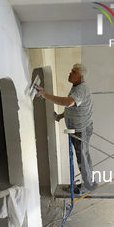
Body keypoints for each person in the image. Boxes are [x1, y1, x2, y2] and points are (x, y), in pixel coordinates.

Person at [35, 64, 98, 194]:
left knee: (82, 158)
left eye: (73, 72)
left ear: (80, 77)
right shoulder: (76, 86)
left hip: (81, 130)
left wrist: (45, 95)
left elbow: (69, 102)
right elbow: (75, 106)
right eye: (71, 71)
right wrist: (61, 116)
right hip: (80, 127)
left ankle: (88, 186)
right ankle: (89, 182)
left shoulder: (80, 89)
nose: (70, 73)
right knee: (84, 156)